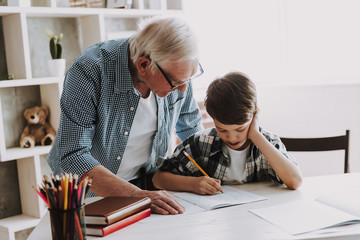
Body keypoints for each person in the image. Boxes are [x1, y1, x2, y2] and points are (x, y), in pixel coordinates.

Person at [47, 16, 205, 215]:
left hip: (145, 186)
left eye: (188, 80)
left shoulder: (175, 69)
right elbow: (74, 156)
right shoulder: (89, 70)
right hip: (86, 194)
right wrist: (139, 196)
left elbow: (191, 127)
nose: (183, 89)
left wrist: (208, 170)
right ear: (143, 65)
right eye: (175, 82)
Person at [152, 72, 303, 195]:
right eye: (222, 129)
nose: (231, 137)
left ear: (254, 115)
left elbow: (295, 181)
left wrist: (255, 135)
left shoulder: (268, 143)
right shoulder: (202, 142)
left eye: (240, 129)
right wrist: (193, 184)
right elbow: (158, 179)